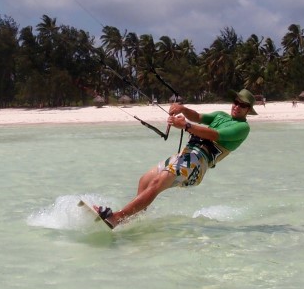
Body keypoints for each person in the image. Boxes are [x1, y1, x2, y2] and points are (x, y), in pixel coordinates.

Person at [93, 88, 257, 228]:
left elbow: (214, 134)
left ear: (248, 110)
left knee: (157, 183)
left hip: (198, 163)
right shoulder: (221, 115)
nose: (237, 107)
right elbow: (198, 117)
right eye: (236, 102)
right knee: (144, 180)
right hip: (185, 155)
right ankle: (132, 219)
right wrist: (183, 110)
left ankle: (117, 217)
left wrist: (186, 125)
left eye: (242, 106)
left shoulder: (242, 127)